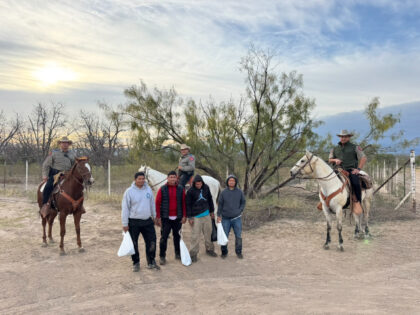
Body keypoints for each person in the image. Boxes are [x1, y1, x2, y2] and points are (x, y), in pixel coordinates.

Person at [121, 172, 160, 272]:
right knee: (134, 243)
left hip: (147, 221)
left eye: (143, 179)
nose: (142, 181)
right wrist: (125, 223)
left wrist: (155, 216)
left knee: (152, 241)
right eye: (139, 179)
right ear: (135, 180)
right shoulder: (129, 192)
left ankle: (151, 262)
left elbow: (152, 204)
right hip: (134, 222)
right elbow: (125, 209)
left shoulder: (148, 190)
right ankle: (136, 263)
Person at [328, 129, 367, 213]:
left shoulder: (355, 147)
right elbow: (330, 159)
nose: (343, 138)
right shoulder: (334, 149)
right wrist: (335, 160)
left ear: (349, 137)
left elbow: (363, 158)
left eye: (345, 137)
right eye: (342, 137)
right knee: (326, 181)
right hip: (337, 170)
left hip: (350, 170)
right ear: (339, 137)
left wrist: (358, 169)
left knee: (356, 183)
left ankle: (358, 202)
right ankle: (326, 202)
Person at [155, 170, 187, 265]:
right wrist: (158, 217)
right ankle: (162, 256)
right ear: (167, 178)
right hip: (166, 218)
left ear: (176, 178)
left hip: (178, 218)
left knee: (177, 237)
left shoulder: (181, 189)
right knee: (164, 238)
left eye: (174, 177)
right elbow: (157, 203)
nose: (172, 179)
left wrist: (184, 215)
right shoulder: (162, 189)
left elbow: (184, 203)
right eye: (171, 177)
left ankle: (177, 254)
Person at [40, 136, 76, 218]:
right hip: (56, 175)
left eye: (66, 143)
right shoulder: (54, 153)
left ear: (69, 144)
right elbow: (46, 165)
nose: (65, 144)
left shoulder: (72, 154)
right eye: (63, 143)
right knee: (48, 186)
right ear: (60, 144)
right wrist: (45, 176)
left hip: (68, 175)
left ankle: (79, 205)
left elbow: (74, 166)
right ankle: (45, 205)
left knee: (78, 186)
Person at [186, 175, 217, 262]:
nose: (198, 185)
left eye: (200, 184)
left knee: (208, 233)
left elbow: (210, 199)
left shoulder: (206, 187)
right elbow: (188, 205)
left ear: (202, 183)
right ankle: (193, 254)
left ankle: (209, 249)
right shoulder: (190, 191)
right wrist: (190, 217)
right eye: (197, 184)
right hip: (196, 217)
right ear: (194, 183)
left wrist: (212, 211)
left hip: (206, 214)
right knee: (195, 236)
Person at [217, 175, 246, 259]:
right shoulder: (223, 192)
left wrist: (240, 210)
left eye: (233, 181)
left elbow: (243, 202)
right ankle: (224, 252)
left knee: (238, 236)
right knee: (224, 235)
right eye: (230, 181)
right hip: (225, 218)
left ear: (235, 182)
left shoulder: (239, 192)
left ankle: (238, 252)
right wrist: (219, 215)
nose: (231, 182)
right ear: (227, 182)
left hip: (237, 218)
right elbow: (220, 205)